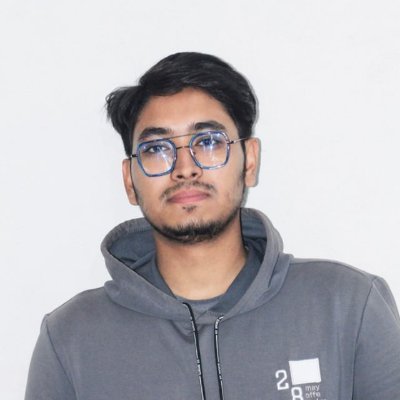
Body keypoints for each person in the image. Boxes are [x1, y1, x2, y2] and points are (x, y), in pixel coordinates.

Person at [25, 52, 400, 400]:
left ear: (249, 161)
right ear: (129, 180)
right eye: (156, 149)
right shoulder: (70, 339)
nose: (185, 168)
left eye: (208, 142)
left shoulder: (348, 306)